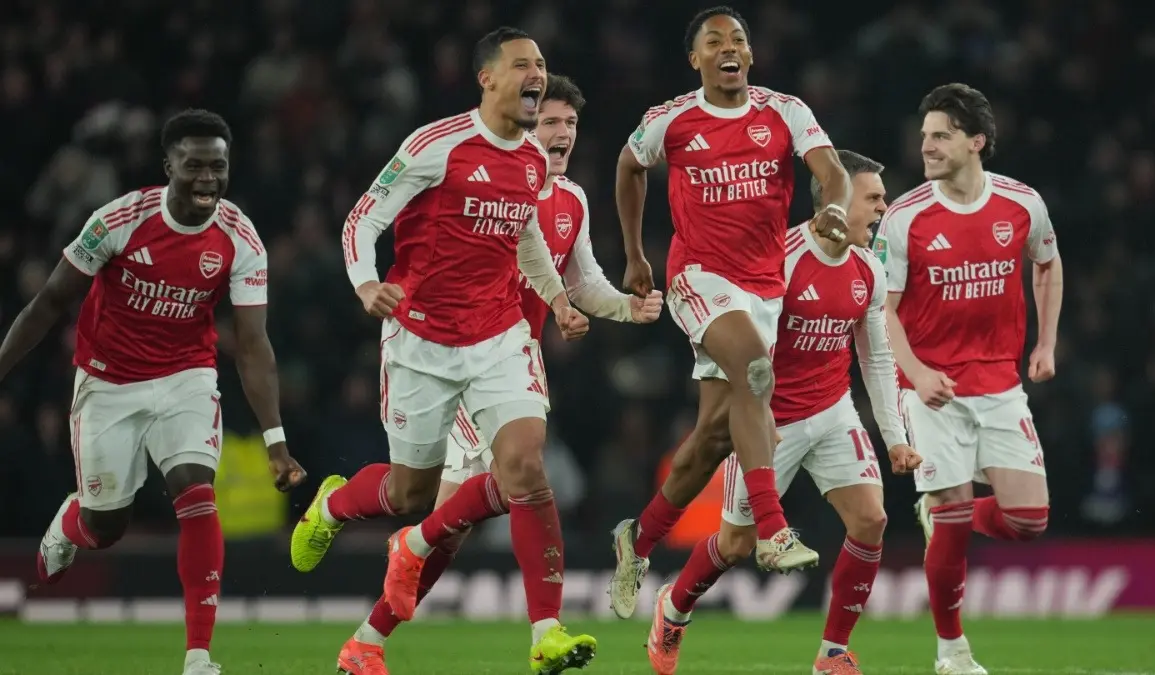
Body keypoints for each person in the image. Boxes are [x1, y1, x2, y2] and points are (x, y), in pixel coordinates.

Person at [332, 74, 663, 675]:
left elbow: (581, 280)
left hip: (509, 354)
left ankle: (532, 628)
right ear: (523, 128)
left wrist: (624, 307)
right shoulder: (475, 173)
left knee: (522, 477)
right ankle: (360, 579)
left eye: (569, 125)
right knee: (434, 508)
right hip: (446, 349)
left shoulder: (572, 200)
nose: (561, 134)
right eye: (550, 123)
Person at [290, 28, 596, 672]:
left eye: (542, 63)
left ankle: (547, 633)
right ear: (486, 78)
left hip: (498, 336)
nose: (536, 74)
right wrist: (366, 281)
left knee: (525, 469)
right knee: (409, 496)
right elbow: (362, 219)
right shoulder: (437, 146)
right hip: (420, 342)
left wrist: (558, 297)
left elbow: (526, 239)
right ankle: (336, 503)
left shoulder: (535, 162)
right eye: (522, 65)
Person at [0, 109, 306, 675]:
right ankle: (74, 521)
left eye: (218, 165)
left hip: (186, 377)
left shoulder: (240, 238)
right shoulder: (118, 220)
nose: (208, 177)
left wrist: (275, 439)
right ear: (169, 166)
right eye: (194, 165)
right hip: (108, 380)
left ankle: (198, 657)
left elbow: (254, 343)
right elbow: (48, 302)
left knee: (196, 491)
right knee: (105, 527)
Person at [608, 5, 853, 617]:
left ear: (750, 54)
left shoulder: (785, 112)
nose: (728, 47)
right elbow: (628, 166)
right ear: (695, 60)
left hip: (763, 289)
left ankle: (635, 542)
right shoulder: (671, 121)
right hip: (697, 278)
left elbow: (833, 174)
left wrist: (835, 210)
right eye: (713, 40)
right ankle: (772, 528)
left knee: (713, 437)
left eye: (737, 39)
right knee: (752, 368)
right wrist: (636, 254)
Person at [641, 151, 922, 675]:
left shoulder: (869, 269)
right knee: (736, 543)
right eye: (874, 197)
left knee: (871, 519)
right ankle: (673, 608)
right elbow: (731, 344)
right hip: (769, 423)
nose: (884, 207)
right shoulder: (778, 259)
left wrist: (895, 438)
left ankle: (832, 653)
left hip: (834, 410)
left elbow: (877, 357)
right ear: (834, 201)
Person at [872, 83, 1061, 675]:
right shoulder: (905, 217)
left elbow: (1048, 263)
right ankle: (952, 651)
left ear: (976, 142)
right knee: (952, 510)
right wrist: (917, 373)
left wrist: (1047, 341)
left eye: (941, 135)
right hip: (931, 393)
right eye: (924, 135)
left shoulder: (1021, 204)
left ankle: (942, 514)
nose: (925, 146)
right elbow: (883, 310)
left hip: (1000, 385)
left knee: (1029, 521)